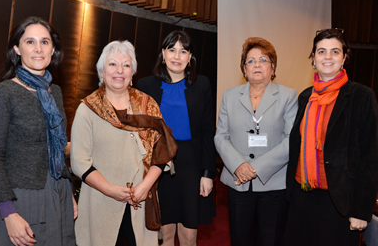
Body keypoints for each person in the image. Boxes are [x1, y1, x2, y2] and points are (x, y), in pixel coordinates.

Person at [70, 40, 177, 246]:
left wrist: (146, 186)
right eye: (112, 64)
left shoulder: (147, 104)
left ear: (132, 73)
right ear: (102, 72)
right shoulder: (88, 109)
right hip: (101, 201)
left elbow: (162, 151)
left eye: (126, 65)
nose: (119, 70)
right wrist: (110, 189)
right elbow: (79, 162)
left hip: (141, 201)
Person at [0, 16, 77, 246]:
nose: (38, 49)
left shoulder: (54, 92)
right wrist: (8, 213)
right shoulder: (2, 94)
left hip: (59, 192)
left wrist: (70, 192)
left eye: (45, 42)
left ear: (53, 49)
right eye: (30, 42)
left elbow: (56, 145)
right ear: (17, 48)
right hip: (22, 197)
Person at [284, 28, 378, 246]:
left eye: (335, 52)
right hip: (302, 195)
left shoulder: (362, 96)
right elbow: (296, 146)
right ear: (313, 59)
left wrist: (361, 211)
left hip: (339, 201)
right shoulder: (306, 96)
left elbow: (370, 157)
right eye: (321, 51)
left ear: (344, 58)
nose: (328, 57)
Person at [214, 37, 298, 246]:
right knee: (240, 239)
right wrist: (239, 166)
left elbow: (291, 140)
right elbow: (221, 136)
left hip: (274, 185)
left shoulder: (288, 96)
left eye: (263, 59)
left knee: (270, 240)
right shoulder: (230, 96)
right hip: (238, 183)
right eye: (250, 61)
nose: (257, 65)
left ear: (273, 67)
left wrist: (255, 168)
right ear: (244, 69)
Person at [136, 30, 217, 246]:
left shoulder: (202, 85)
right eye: (171, 50)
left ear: (190, 57)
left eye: (183, 51)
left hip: (191, 165)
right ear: (163, 53)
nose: (177, 56)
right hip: (158, 165)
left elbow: (209, 132)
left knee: (189, 234)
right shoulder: (145, 86)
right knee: (164, 232)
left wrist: (208, 174)